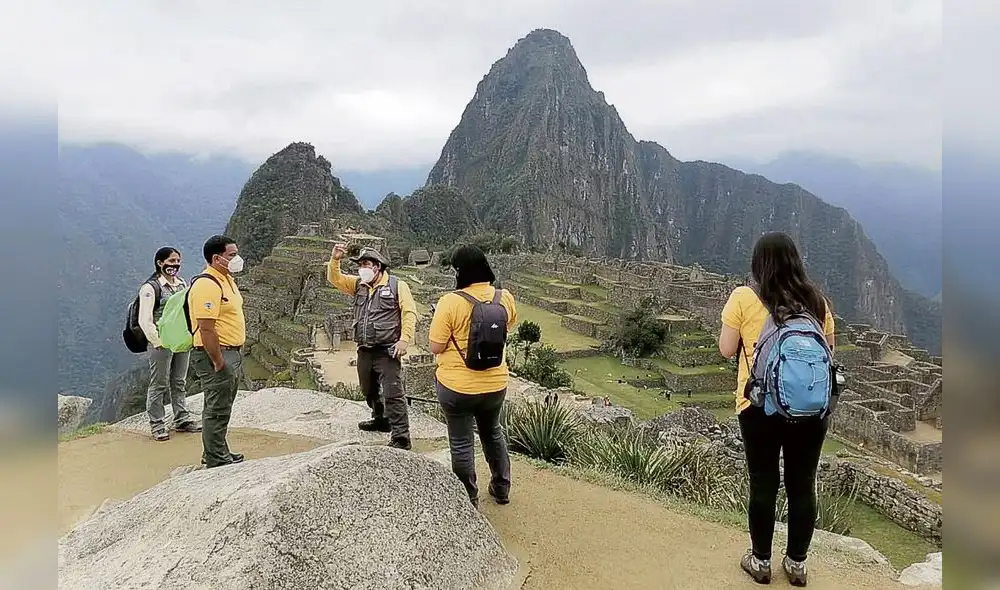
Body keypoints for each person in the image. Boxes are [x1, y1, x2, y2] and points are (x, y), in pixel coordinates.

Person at [718, 231, 836, 586]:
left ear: (758, 263)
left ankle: (760, 561)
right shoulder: (816, 300)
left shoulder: (743, 296)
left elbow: (726, 349)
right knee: (803, 483)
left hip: (759, 406)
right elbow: (829, 353)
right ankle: (797, 564)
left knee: (763, 482)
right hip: (810, 410)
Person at [429, 244, 517, 507]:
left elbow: (436, 345)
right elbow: (506, 329)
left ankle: (468, 498)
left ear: (459, 271)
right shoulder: (504, 298)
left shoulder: (450, 302)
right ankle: (501, 487)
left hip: (457, 388)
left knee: (461, 441)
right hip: (495, 384)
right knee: (493, 432)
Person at [328, 244, 417, 450]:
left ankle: (401, 436)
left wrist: (404, 340)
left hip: (387, 350)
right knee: (368, 389)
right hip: (365, 349)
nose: (362, 268)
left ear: (378, 266)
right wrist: (335, 260)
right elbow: (336, 279)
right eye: (360, 265)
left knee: (393, 392)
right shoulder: (359, 284)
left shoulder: (396, 285)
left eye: (366, 264)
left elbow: (409, 312)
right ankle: (380, 418)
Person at [188, 235, 247, 468]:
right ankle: (215, 458)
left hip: (231, 351)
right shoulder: (206, 284)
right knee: (216, 408)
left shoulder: (227, 280)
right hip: (215, 353)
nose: (237, 259)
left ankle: (217, 450)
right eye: (231, 255)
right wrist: (218, 361)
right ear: (216, 258)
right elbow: (206, 328)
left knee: (223, 405)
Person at [137, 247, 201, 441]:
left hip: (180, 341)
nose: (175, 265)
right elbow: (145, 319)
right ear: (160, 263)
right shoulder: (151, 288)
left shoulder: (181, 284)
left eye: (178, 261)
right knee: (159, 383)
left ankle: (182, 418)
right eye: (171, 261)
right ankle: (157, 424)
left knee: (179, 381)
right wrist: (156, 341)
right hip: (161, 343)